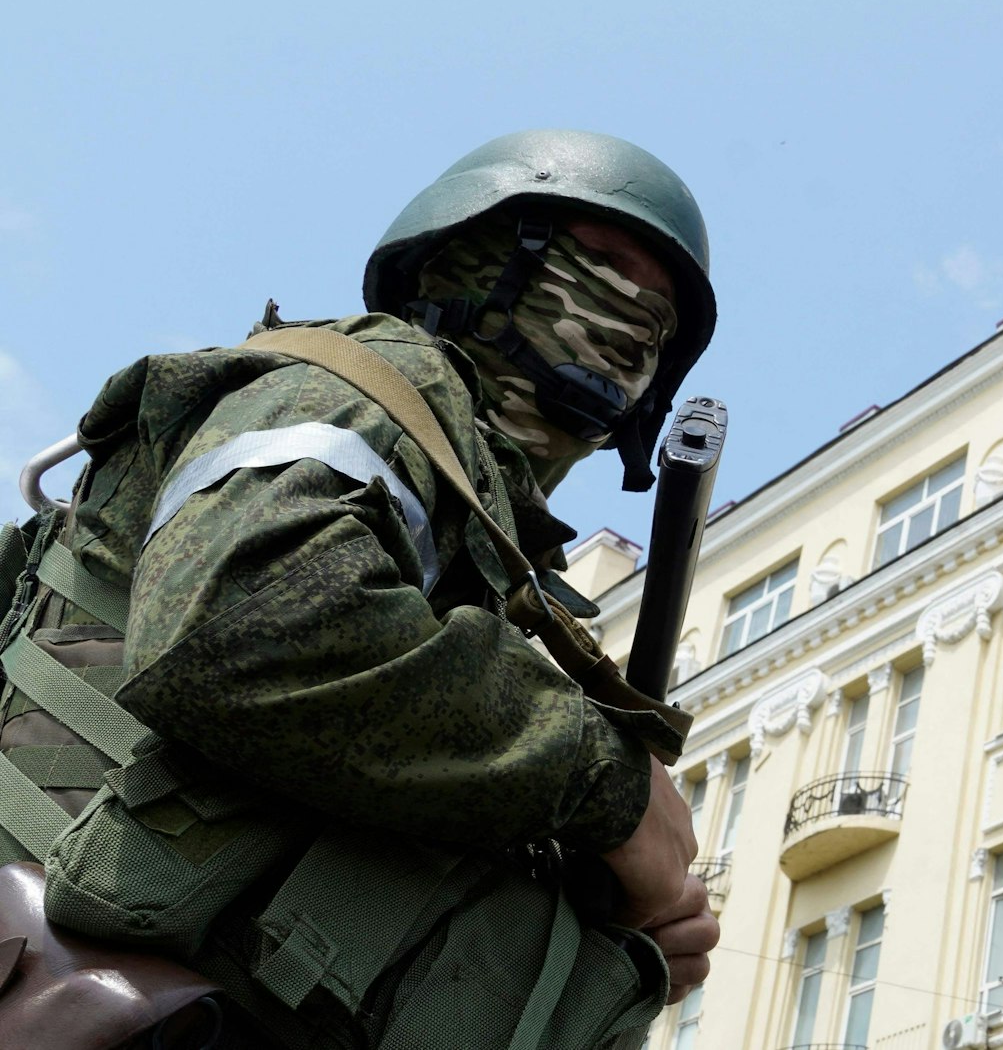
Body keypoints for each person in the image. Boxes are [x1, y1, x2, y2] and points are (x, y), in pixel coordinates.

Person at [0, 129, 720, 1048]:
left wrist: (611, 919)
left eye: (656, 321)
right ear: (465, 258)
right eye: (598, 264)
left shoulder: (504, 582)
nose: (624, 322)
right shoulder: (367, 386)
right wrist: (608, 785)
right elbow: (249, 622)